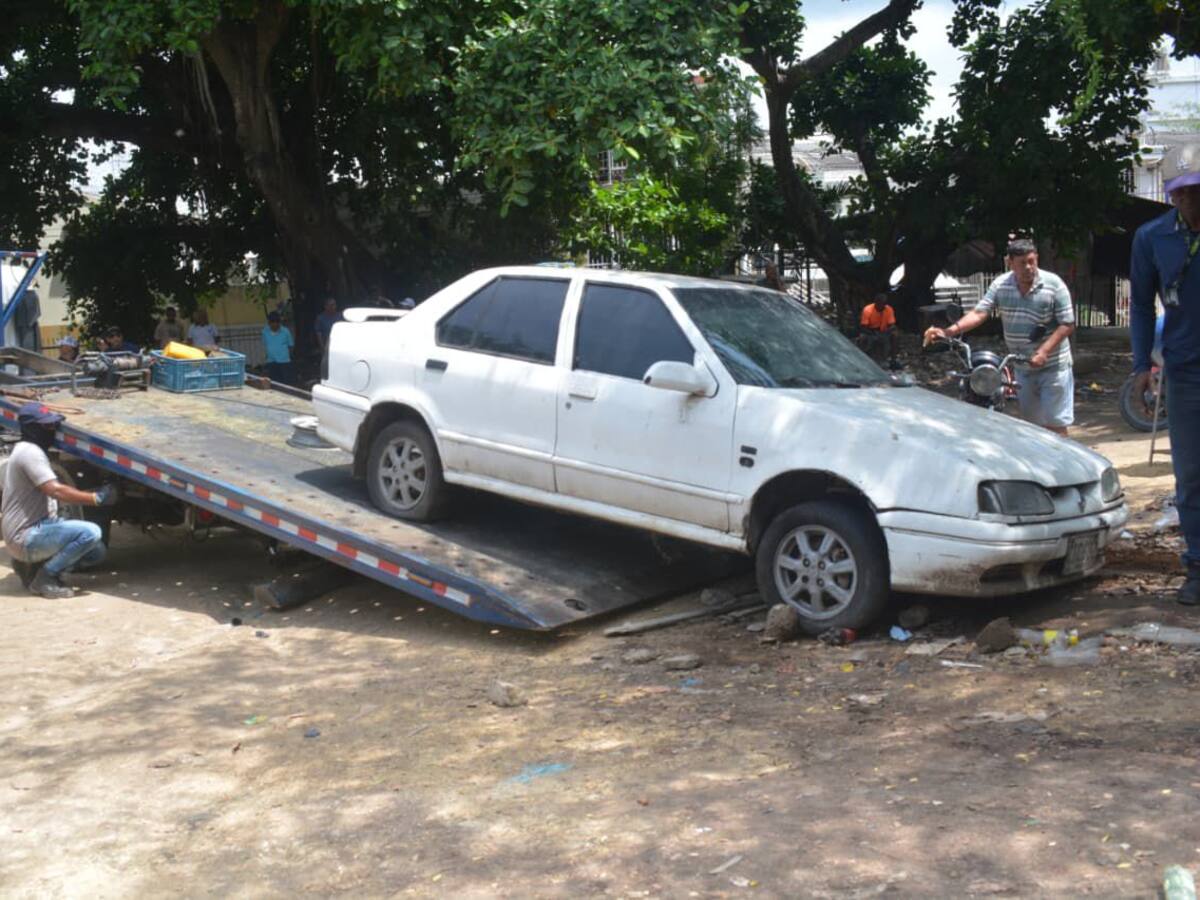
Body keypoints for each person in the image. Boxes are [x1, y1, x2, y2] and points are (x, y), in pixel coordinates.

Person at [1130, 144, 1200, 606]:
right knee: (1191, 474)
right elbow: (1139, 304)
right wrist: (1140, 364)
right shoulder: (1152, 238)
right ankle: (1197, 566)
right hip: (1185, 370)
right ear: (1171, 196)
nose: (1192, 201)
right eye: (1183, 193)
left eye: (1198, 191)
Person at [925, 238, 1076, 436]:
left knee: (1056, 424)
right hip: (1022, 366)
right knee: (1033, 428)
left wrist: (1043, 351)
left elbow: (1067, 324)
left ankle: (1063, 465)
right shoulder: (1001, 285)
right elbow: (980, 313)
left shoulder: (1054, 285)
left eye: (1032, 261)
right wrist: (948, 332)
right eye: (1022, 263)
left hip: (1053, 367)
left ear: (1037, 258)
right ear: (1010, 262)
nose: (1029, 267)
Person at [2, 403, 118, 598]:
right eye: (47, 427)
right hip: (25, 536)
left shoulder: (25, 450)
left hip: (31, 531)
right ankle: (45, 578)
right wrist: (96, 498)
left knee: (96, 552)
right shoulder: (30, 453)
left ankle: (30, 565)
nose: (52, 431)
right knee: (91, 532)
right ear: (32, 429)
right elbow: (55, 491)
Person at [857, 292, 899, 368]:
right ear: (876, 302)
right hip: (870, 331)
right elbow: (863, 326)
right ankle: (861, 360)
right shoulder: (868, 309)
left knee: (895, 335)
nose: (883, 305)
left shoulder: (888, 309)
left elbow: (892, 324)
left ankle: (893, 360)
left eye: (884, 303)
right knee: (862, 337)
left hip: (884, 331)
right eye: (881, 303)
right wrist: (873, 333)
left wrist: (888, 331)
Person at [261, 311, 295, 385]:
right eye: (273, 323)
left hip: (284, 362)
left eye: (277, 323)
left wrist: (288, 356)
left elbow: (291, 345)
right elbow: (265, 345)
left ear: (279, 323)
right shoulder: (264, 332)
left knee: (286, 383)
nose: (275, 325)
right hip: (271, 361)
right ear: (269, 323)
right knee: (275, 383)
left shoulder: (285, 331)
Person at [315, 297, 342, 379]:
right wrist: (322, 347)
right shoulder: (320, 318)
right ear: (325, 306)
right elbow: (318, 333)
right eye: (330, 305)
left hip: (339, 344)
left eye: (334, 305)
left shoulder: (340, 316)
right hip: (327, 345)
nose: (332, 307)